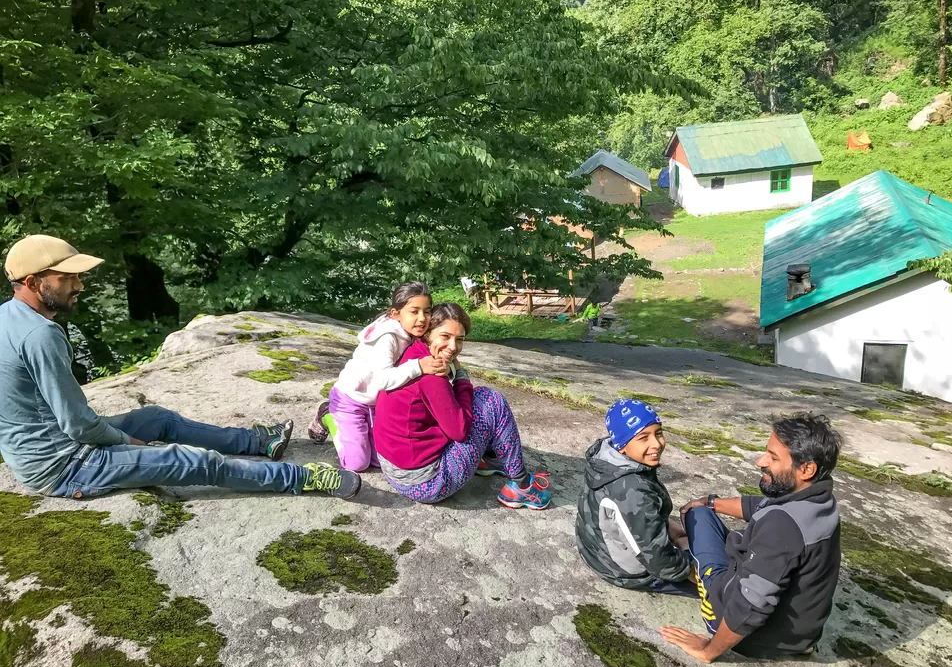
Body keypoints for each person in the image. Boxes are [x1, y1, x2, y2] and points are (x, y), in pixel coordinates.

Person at [0, 235, 360, 499]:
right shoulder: (40, 335)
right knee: (196, 462)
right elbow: (77, 424)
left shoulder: (9, 318)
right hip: (66, 465)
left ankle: (257, 441)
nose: (79, 285)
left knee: (159, 419)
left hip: (53, 448)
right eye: (67, 278)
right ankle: (302, 478)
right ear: (33, 282)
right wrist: (128, 442)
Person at [659, 413, 843, 662]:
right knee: (705, 511)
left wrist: (708, 650)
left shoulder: (782, 526)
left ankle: (689, 556)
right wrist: (712, 502)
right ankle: (686, 538)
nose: (760, 461)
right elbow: (762, 505)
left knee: (697, 517)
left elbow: (751, 604)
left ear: (807, 469)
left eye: (773, 457)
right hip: (801, 635)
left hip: (754, 636)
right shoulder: (819, 500)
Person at [373, 302, 551, 509]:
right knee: (491, 400)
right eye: (445, 336)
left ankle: (490, 460)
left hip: (395, 470)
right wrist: (462, 379)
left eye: (460, 339)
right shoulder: (431, 375)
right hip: (426, 483)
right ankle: (521, 485)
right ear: (428, 333)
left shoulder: (412, 355)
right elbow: (459, 431)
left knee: (478, 399)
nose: (453, 347)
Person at [307, 282, 448, 471]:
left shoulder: (412, 332)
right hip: (352, 401)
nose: (422, 318)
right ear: (396, 313)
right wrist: (419, 366)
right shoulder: (387, 338)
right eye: (414, 311)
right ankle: (328, 416)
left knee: (384, 460)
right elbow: (382, 380)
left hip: (375, 406)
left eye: (427, 311)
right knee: (357, 463)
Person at [575, 399, 698, 597]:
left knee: (693, 533)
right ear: (623, 445)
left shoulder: (607, 459)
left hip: (595, 551)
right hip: (622, 571)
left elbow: (636, 519)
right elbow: (660, 561)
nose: (656, 444)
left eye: (658, 433)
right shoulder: (633, 491)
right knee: (723, 578)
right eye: (643, 438)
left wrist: (672, 531)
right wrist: (696, 574)